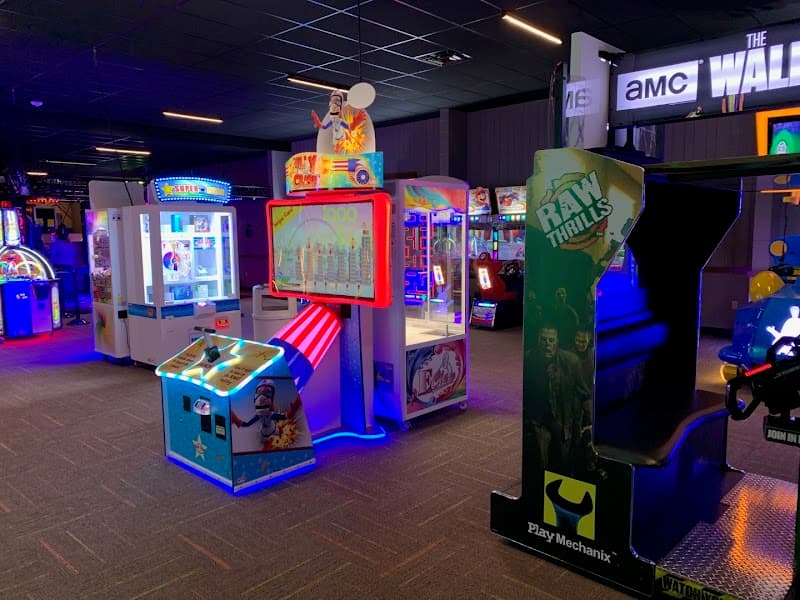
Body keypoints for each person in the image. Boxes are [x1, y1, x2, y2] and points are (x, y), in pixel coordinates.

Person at [527, 323, 592, 478]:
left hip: (564, 421)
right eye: (544, 340)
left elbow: (584, 393)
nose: (547, 345)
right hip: (540, 419)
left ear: (557, 341)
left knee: (564, 464)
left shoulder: (571, 361)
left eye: (551, 340)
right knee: (542, 463)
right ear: (538, 340)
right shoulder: (529, 358)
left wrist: (589, 423)